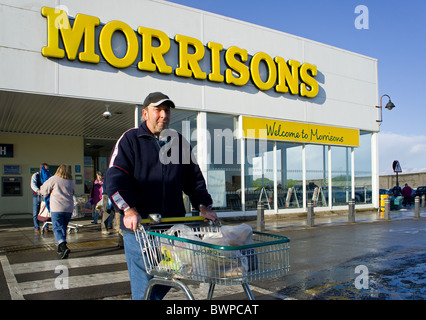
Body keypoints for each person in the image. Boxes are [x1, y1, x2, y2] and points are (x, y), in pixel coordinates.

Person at [105, 92, 218, 300]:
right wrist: (128, 209)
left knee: (173, 277)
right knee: (143, 287)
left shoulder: (178, 143)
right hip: (140, 230)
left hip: (171, 228)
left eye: (167, 110)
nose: (163, 115)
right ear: (145, 113)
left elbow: (194, 179)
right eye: (158, 110)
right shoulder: (130, 139)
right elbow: (115, 178)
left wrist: (204, 205)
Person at [40, 164, 75, 259]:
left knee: (57, 228)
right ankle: (60, 248)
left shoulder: (54, 179)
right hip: (68, 208)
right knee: (63, 227)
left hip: (57, 207)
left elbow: (43, 190)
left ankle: (63, 246)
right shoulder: (71, 181)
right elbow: (73, 192)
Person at [30, 163, 50, 234]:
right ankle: (36, 227)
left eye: (48, 169)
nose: (47, 170)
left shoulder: (48, 176)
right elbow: (33, 185)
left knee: (46, 211)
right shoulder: (36, 175)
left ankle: (46, 226)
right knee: (36, 211)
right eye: (46, 169)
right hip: (37, 196)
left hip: (45, 196)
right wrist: (38, 190)